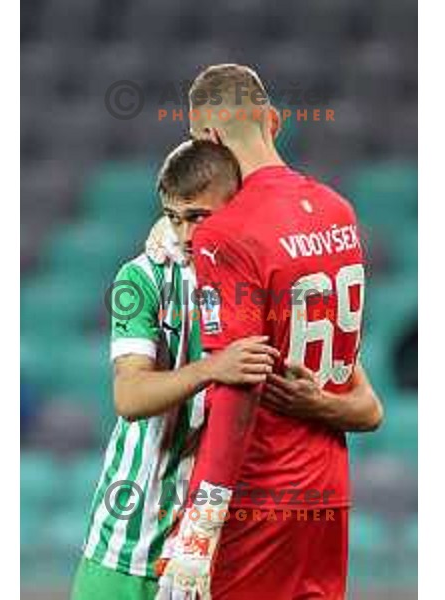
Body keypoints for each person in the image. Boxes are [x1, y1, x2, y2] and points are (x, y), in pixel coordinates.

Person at [72, 139, 382, 600]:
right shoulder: (144, 277)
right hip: (130, 537)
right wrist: (213, 367)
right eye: (174, 217)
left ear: (236, 204)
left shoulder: (274, 276)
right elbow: (129, 397)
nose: (185, 235)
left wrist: (317, 403)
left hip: (222, 543)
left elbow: (369, 409)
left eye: (199, 217)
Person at [157, 65, 383, 600]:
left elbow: (239, 388)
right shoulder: (339, 211)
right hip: (329, 492)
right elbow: (347, 370)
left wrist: (200, 528)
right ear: (274, 122)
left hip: (260, 494)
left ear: (209, 140)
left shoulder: (224, 233)